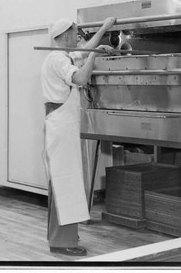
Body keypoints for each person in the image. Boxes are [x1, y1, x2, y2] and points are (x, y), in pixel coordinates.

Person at [41, 16, 116, 257]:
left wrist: (104, 29)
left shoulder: (65, 56)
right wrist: (94, 54)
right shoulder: (56, 59)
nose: (79, 38)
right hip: (60, 128)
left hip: (63, 126)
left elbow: (83, 50)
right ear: (65, 37)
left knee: (66, 181)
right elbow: (81, 79)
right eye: (75, 34)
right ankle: (61, 242)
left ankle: (63, 237)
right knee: (64, 182)